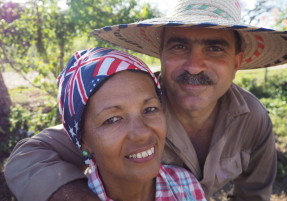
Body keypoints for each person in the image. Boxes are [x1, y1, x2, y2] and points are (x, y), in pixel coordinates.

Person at [4, 0, 287, 200]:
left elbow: (254, 193)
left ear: (238, 62)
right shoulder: (133, 101)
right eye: (179, 45)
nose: (194, 66)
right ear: (161, 55)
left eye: (214, 48)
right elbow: (29, 155)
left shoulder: (253, 119)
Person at [55, 47, 206, 201]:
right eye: (112, 119)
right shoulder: (71, 195)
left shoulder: (184, 184)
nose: (142, 133)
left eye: (150, 109)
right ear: (83, 140)